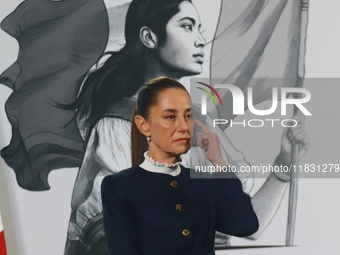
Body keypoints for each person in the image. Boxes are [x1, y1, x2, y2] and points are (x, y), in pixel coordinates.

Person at [65, 0, 310, 253]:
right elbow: (105, 237)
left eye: (199, 28)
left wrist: (284, 163)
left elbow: (249, 225)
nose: (200, 40)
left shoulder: (204, 129)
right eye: (187, 26)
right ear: (149, 37)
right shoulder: (119, 125)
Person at [101, 76, 259, 255]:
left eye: (188, 116)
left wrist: (218, 162)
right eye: (170, 117)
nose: (184, 126)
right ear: (143, 125)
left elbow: (245, 225)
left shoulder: (204, 183)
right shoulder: (120, 186)